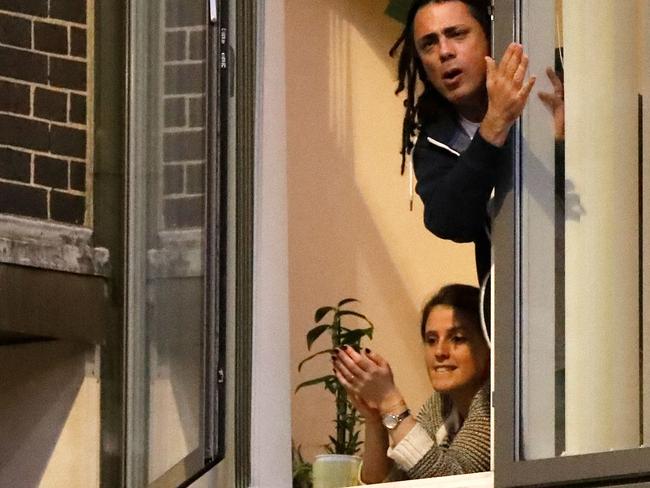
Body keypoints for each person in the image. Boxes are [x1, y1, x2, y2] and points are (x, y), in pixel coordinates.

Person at [390, 0, 537, 283]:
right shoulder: (434, 144)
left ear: (490, 36)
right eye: (429, 44)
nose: (445, 52)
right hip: (515, 313)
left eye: (457, 34)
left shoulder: (545, 86)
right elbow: (450, 222)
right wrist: (494, 125)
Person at [332, 284, 490, 482]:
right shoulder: (440, 404)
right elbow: (387, 481)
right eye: (431, 340)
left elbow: (453, 480)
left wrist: (390, 402)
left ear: (490, 344)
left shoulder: (496, 402)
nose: (440, 351)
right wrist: (374, 420)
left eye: (457, 338)